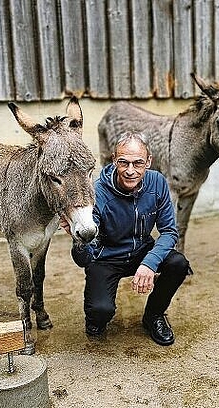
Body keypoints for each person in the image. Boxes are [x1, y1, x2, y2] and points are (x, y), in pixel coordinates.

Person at [60, 131, 192, 346]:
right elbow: (83, 260)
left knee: (178, 263)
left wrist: (149, 263)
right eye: (123, 163)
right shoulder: (96, 192)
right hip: (106, 257)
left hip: (141, 250)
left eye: (138, 163)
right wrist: (79, 240)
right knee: (100, 313)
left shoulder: (157, 182)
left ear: (148, 161)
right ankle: (95, 317)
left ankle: (154, 316)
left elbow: (169, 231)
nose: (131, 171)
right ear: (114, 160)